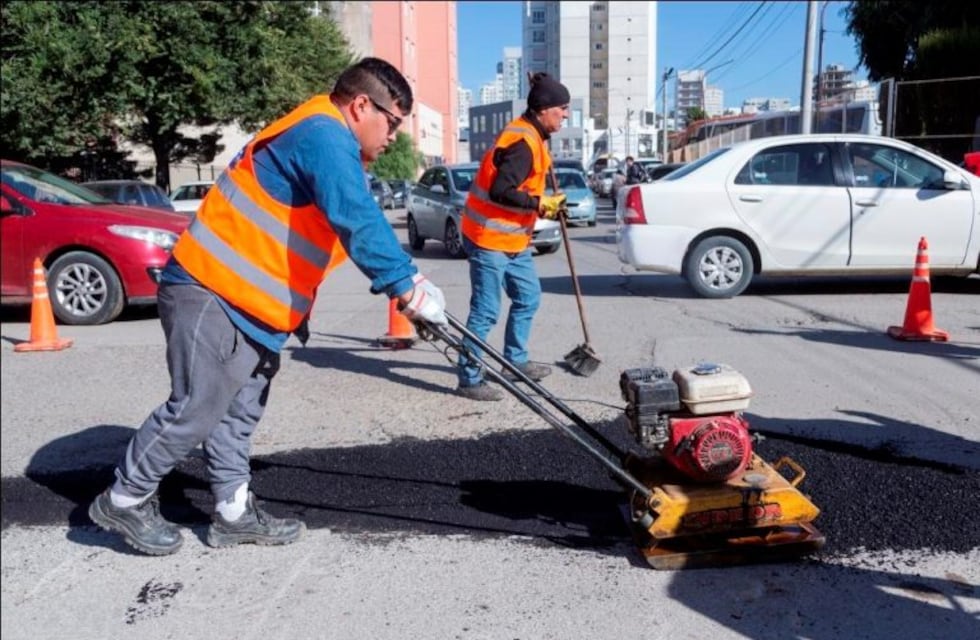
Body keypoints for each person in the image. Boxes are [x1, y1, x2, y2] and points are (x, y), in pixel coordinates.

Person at [87, 57, 448, 556]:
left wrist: (405, 285)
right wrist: (406, 287)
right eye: (392, 122)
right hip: (212, 290)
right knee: (196, 407)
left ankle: (233, 515)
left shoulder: (325, 137)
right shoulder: (323, 134)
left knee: (238, 414)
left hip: (252, 305)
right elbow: (356, 219)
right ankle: (124, 497)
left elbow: (330, 228)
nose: (392, 136)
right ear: (362, 105)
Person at [455, 72, 570, 401]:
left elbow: (521, 187)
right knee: (486, 310)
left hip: (513, 240)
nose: (564, 115)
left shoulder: (534, 134)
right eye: (561, 109)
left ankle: (514, 362)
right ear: (543, 109)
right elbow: (501, 189)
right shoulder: (522, 142)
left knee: (528, 297)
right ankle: (469, 377)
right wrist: (539, 203)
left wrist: (545, 206)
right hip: (488, 238)